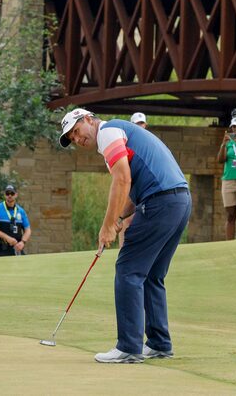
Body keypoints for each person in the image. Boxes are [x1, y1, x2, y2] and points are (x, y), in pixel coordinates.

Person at [59, 108, 191, 363]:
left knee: (128, 270)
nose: (77, 139)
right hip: (179, 201)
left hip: (161, 203)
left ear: (89, 119)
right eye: (72, 138)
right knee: (152, 274)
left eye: (76, 131)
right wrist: (119, 218)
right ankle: (159, 343)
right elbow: (133, 190)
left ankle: (129, 346)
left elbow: (122, 180)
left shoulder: (108, 132)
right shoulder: (121, 131)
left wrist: (107, 226)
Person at [217, 116, 236, 240]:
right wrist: (223, 145)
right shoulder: (228, 142)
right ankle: (229, 243)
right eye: (233, 126)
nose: (235, 129)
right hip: (228, 180)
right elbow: (220, 160)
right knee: (230, 215)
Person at [0, 184, 31, 257]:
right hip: (1, 249)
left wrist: (23, 242)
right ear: (5, 195)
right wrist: (7, 238)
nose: (9, 195)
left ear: (16, 195)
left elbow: (28, 230)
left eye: (12, 193)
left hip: (17, 248)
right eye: (7, 193)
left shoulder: (21, 211)